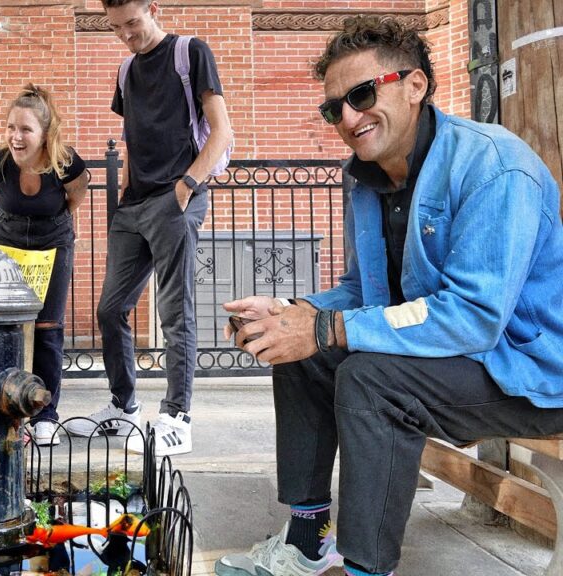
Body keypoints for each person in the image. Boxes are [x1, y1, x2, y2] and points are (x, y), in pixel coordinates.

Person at [216, 16, 563, 576]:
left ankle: (366, 567)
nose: (349, 118)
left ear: (416, 85)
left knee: (370, 378)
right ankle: (308, 540)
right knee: (305, 355)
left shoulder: (493, 165)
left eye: (361, 94)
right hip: (454, 360)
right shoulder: (367, 179)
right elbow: (366, 291)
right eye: (335, 108)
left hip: (527, 373)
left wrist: (325, 326)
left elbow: (474, 317)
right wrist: (296, 313)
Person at [62, 0, 234, 457]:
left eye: (133, 23)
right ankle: (124, 409)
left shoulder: (190, 52)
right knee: (110, 309)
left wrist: (187, 186)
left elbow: (221, 130)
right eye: (116, 27)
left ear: (153, 9)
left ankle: (178, 417)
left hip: (176, 199)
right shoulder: (125, 70)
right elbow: (136, 134)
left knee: (176, 312)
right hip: (134, 205)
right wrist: (129, 190)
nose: (126, 35)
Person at [0, 83, 90, 447]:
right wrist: (7, 223)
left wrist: (50, 224)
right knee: (2, 323)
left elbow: (77, 195)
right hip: (5, 243)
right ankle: (6, 407)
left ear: (44, 133)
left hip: (52, 244)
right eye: (11, 127)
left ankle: (46, 414)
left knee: (48, 327)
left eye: (25, 129)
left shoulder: (65, 162)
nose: (16, 136)